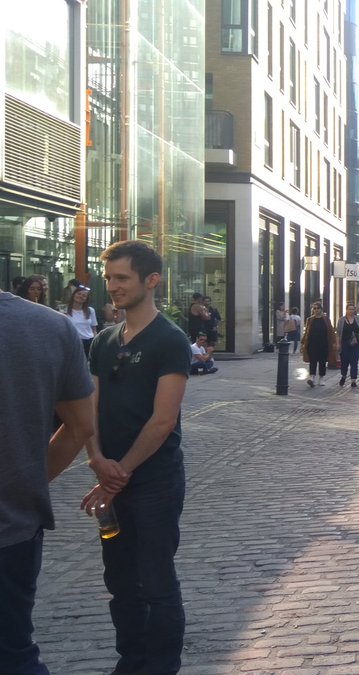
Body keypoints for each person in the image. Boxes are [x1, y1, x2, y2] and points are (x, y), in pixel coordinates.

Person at [81, 240, 191, 675]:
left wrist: (118, 471)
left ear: (151, 281)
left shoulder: (170, 340)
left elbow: (162, 421)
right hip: (112, 480)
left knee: (156, 580)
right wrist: (95, 459)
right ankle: (131, 661)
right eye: (108, 278)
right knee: (119, 581)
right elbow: (90, 406)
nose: (112, 286)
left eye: (121, 278)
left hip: (155, 483)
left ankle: (161, 667)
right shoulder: (104, 340)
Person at [0, 286, 95, 675]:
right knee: (13, 652)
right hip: (13, 526)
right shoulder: (48, 325)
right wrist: (28, 480)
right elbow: (81, 426)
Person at [301, 303, 336, 387]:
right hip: (312, 344)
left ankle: (321, 378)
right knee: (312, 361)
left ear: (321, 309)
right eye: (314, 308)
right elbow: (306, 333)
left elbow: (331, 332)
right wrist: (302, 343)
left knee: (322, 362)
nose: (316, 310)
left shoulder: (326, 319)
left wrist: (334, 342)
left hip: (323, 344)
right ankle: (312, 377)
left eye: (317, 308)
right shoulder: (310, 320)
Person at [63, 284, 99, 354]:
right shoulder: (64, 310)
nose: (81, 296)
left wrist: (95, 342)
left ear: (86, 299)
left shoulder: (90, 310)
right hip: (71, 342)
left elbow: (94, 329)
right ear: (73, 295)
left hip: (88, 342)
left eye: (84, 295)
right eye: (79, 294)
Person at [335, 304, 359, 387]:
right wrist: (337, 343)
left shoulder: (358, 319)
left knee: (354, 361)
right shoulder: (341, 320)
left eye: (352, 309)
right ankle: (343, 376)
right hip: (345, 344)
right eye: (349, 309)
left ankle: (353, 380)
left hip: (356, 344)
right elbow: (338, 333)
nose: (351, 311)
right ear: (346, 310)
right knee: (344, 361)